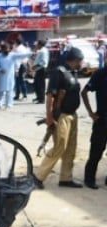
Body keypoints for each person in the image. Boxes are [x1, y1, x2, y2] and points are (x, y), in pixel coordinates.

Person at [33, 47, 84, 189]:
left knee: (70, 149)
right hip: (61, 116)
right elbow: (50, 95)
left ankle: (66, 178)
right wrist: (49, 117)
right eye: (80, 61)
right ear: (75, 60)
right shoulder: (59, 72)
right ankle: (38, 177)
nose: (81, 64)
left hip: (72, 115)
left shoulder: (73, 73)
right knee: (59, 147)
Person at [81, 64, 107, 188]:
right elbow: (84, 92)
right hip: (102, 119)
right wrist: (91, 113)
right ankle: (89, 179)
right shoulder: (100, 74)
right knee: (96, 152)